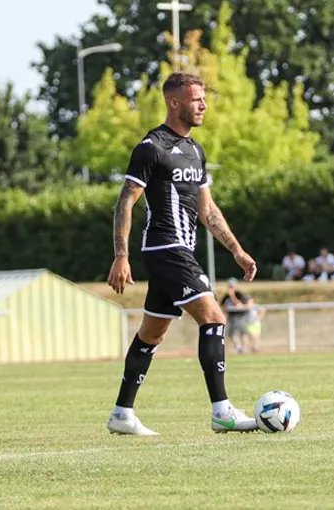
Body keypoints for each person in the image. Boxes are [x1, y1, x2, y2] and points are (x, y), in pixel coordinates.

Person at [106, 72, 258, 435]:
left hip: (180, 250)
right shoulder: (151, 146)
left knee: (152, 333)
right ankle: (222, 411)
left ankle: (121, 414)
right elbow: (126, 200)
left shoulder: (196, 150)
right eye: (196, 99)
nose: (203, 105)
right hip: (165, 247)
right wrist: (121, 255)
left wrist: (236, 250)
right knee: (215, 317)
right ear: (174, 103)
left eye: (204, 98)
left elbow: (207, 210)